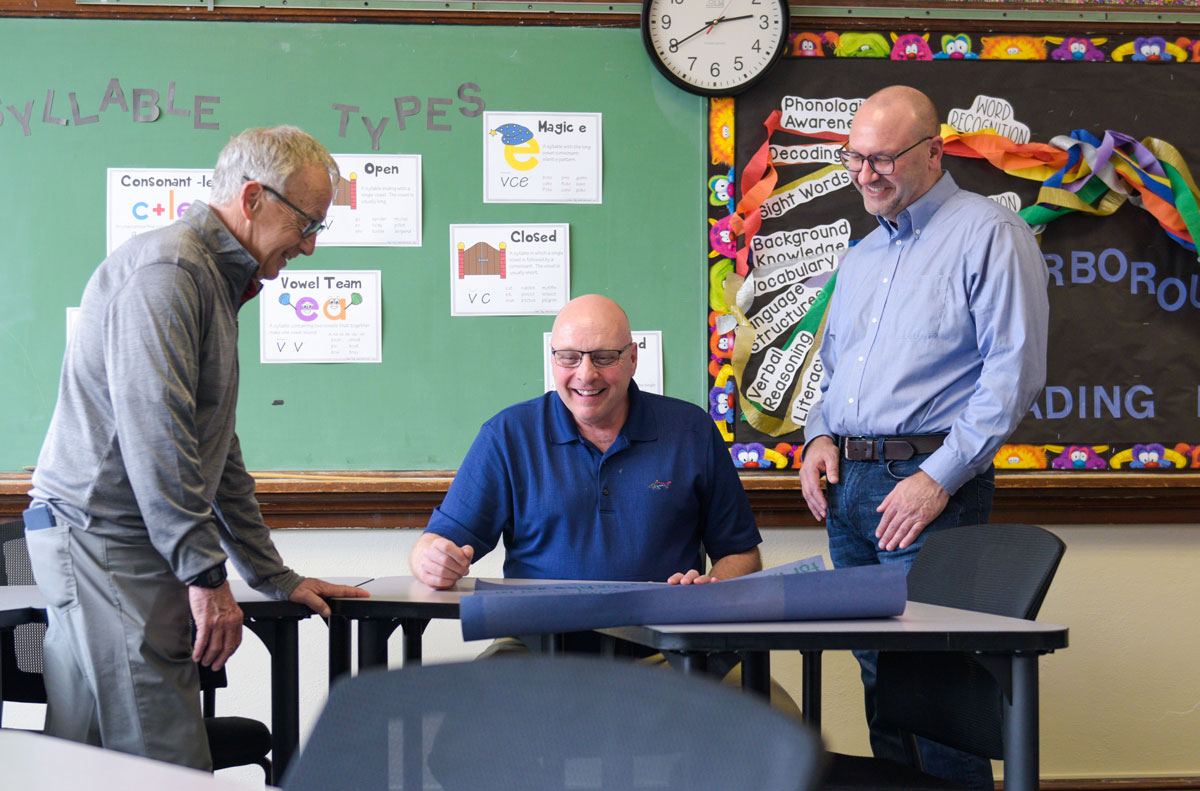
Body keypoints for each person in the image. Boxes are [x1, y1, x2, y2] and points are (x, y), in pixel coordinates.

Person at [24, 126, 369, 771]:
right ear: (253, 198)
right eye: (306, 223)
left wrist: (271, 575)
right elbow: (159, 439)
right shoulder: (171, 272)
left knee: (87, 761)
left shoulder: (211, 276)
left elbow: (215, 449)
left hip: (120, 539)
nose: (311, 245)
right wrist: (207, 577)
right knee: (164, 766)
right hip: (106, 540)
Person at [799, 86, 1049, 789]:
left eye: (883, 158)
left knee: (938, 693)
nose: (866, 174)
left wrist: (940, 477)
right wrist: (820, 434)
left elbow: (1015, 373)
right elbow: (835, 371)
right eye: (855, 158)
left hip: (928, 484)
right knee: (880, 676)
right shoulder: (862, 257)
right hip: (850, 488)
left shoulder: (990, 234)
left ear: (934, 151)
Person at [411, 294, 762, 593]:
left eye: (604, 357)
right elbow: (435, 544)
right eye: (569, 357)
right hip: (539, 649)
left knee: (751, 678)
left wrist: (710, 587)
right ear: (552, 359)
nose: (585, 374)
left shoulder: (691, 431)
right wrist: (431, 560)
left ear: (633, 359)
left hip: (667, 649)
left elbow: (742, 555)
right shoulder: (508, 435)